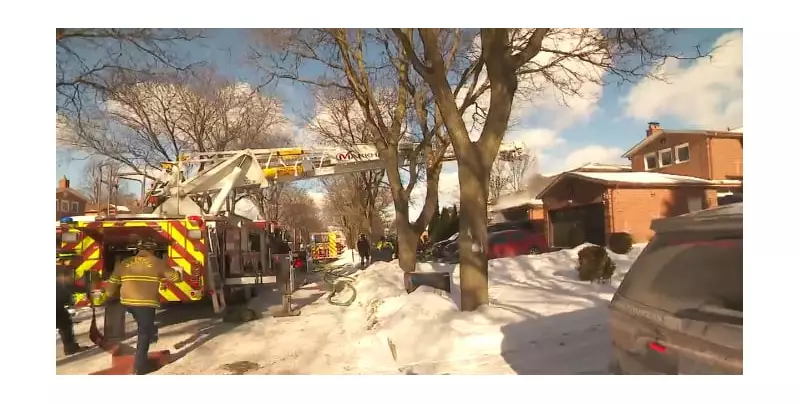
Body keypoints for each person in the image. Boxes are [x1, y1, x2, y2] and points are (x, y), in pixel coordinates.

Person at [104, 239, 181, 375]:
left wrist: (107, 296)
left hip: (127, 303)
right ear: (152, 250)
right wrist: (178, 273)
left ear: (138, 249)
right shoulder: (158, 263)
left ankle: (150, 332)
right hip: (146, 303)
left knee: (144, 326)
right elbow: (175, 278)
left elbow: (112, 283)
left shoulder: (125, 263)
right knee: (144, 334)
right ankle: (140, 367)